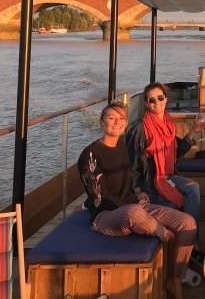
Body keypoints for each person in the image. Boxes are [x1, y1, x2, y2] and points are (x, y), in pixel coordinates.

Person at [78, 101, 196, 299]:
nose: (117, 122)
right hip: (105, 215)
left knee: (187, 223)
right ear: (101, 123)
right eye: (111, 118)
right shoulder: (90, 155)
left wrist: (137, 192)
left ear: (125, 124)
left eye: (121, 119)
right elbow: (99, 197)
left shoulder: (122, 146)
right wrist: (151, 222)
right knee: (134, 213)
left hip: (135, 207)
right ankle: (161, 233)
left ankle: (175, 278)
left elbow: (128, 180)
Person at [126, 82, 205, 262]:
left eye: (160, 98)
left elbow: (176, 151)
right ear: (146, 104)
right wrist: (138, 192)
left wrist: (194, 130)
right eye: (151, 100)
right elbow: (130, 166)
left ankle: (193, 245)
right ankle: (185, 250)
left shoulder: (168, 124)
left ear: (166, 99)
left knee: (193, 188)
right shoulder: (140, 130)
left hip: (166, 177)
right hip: (151, 183)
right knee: (173, 205)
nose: (157, 102)